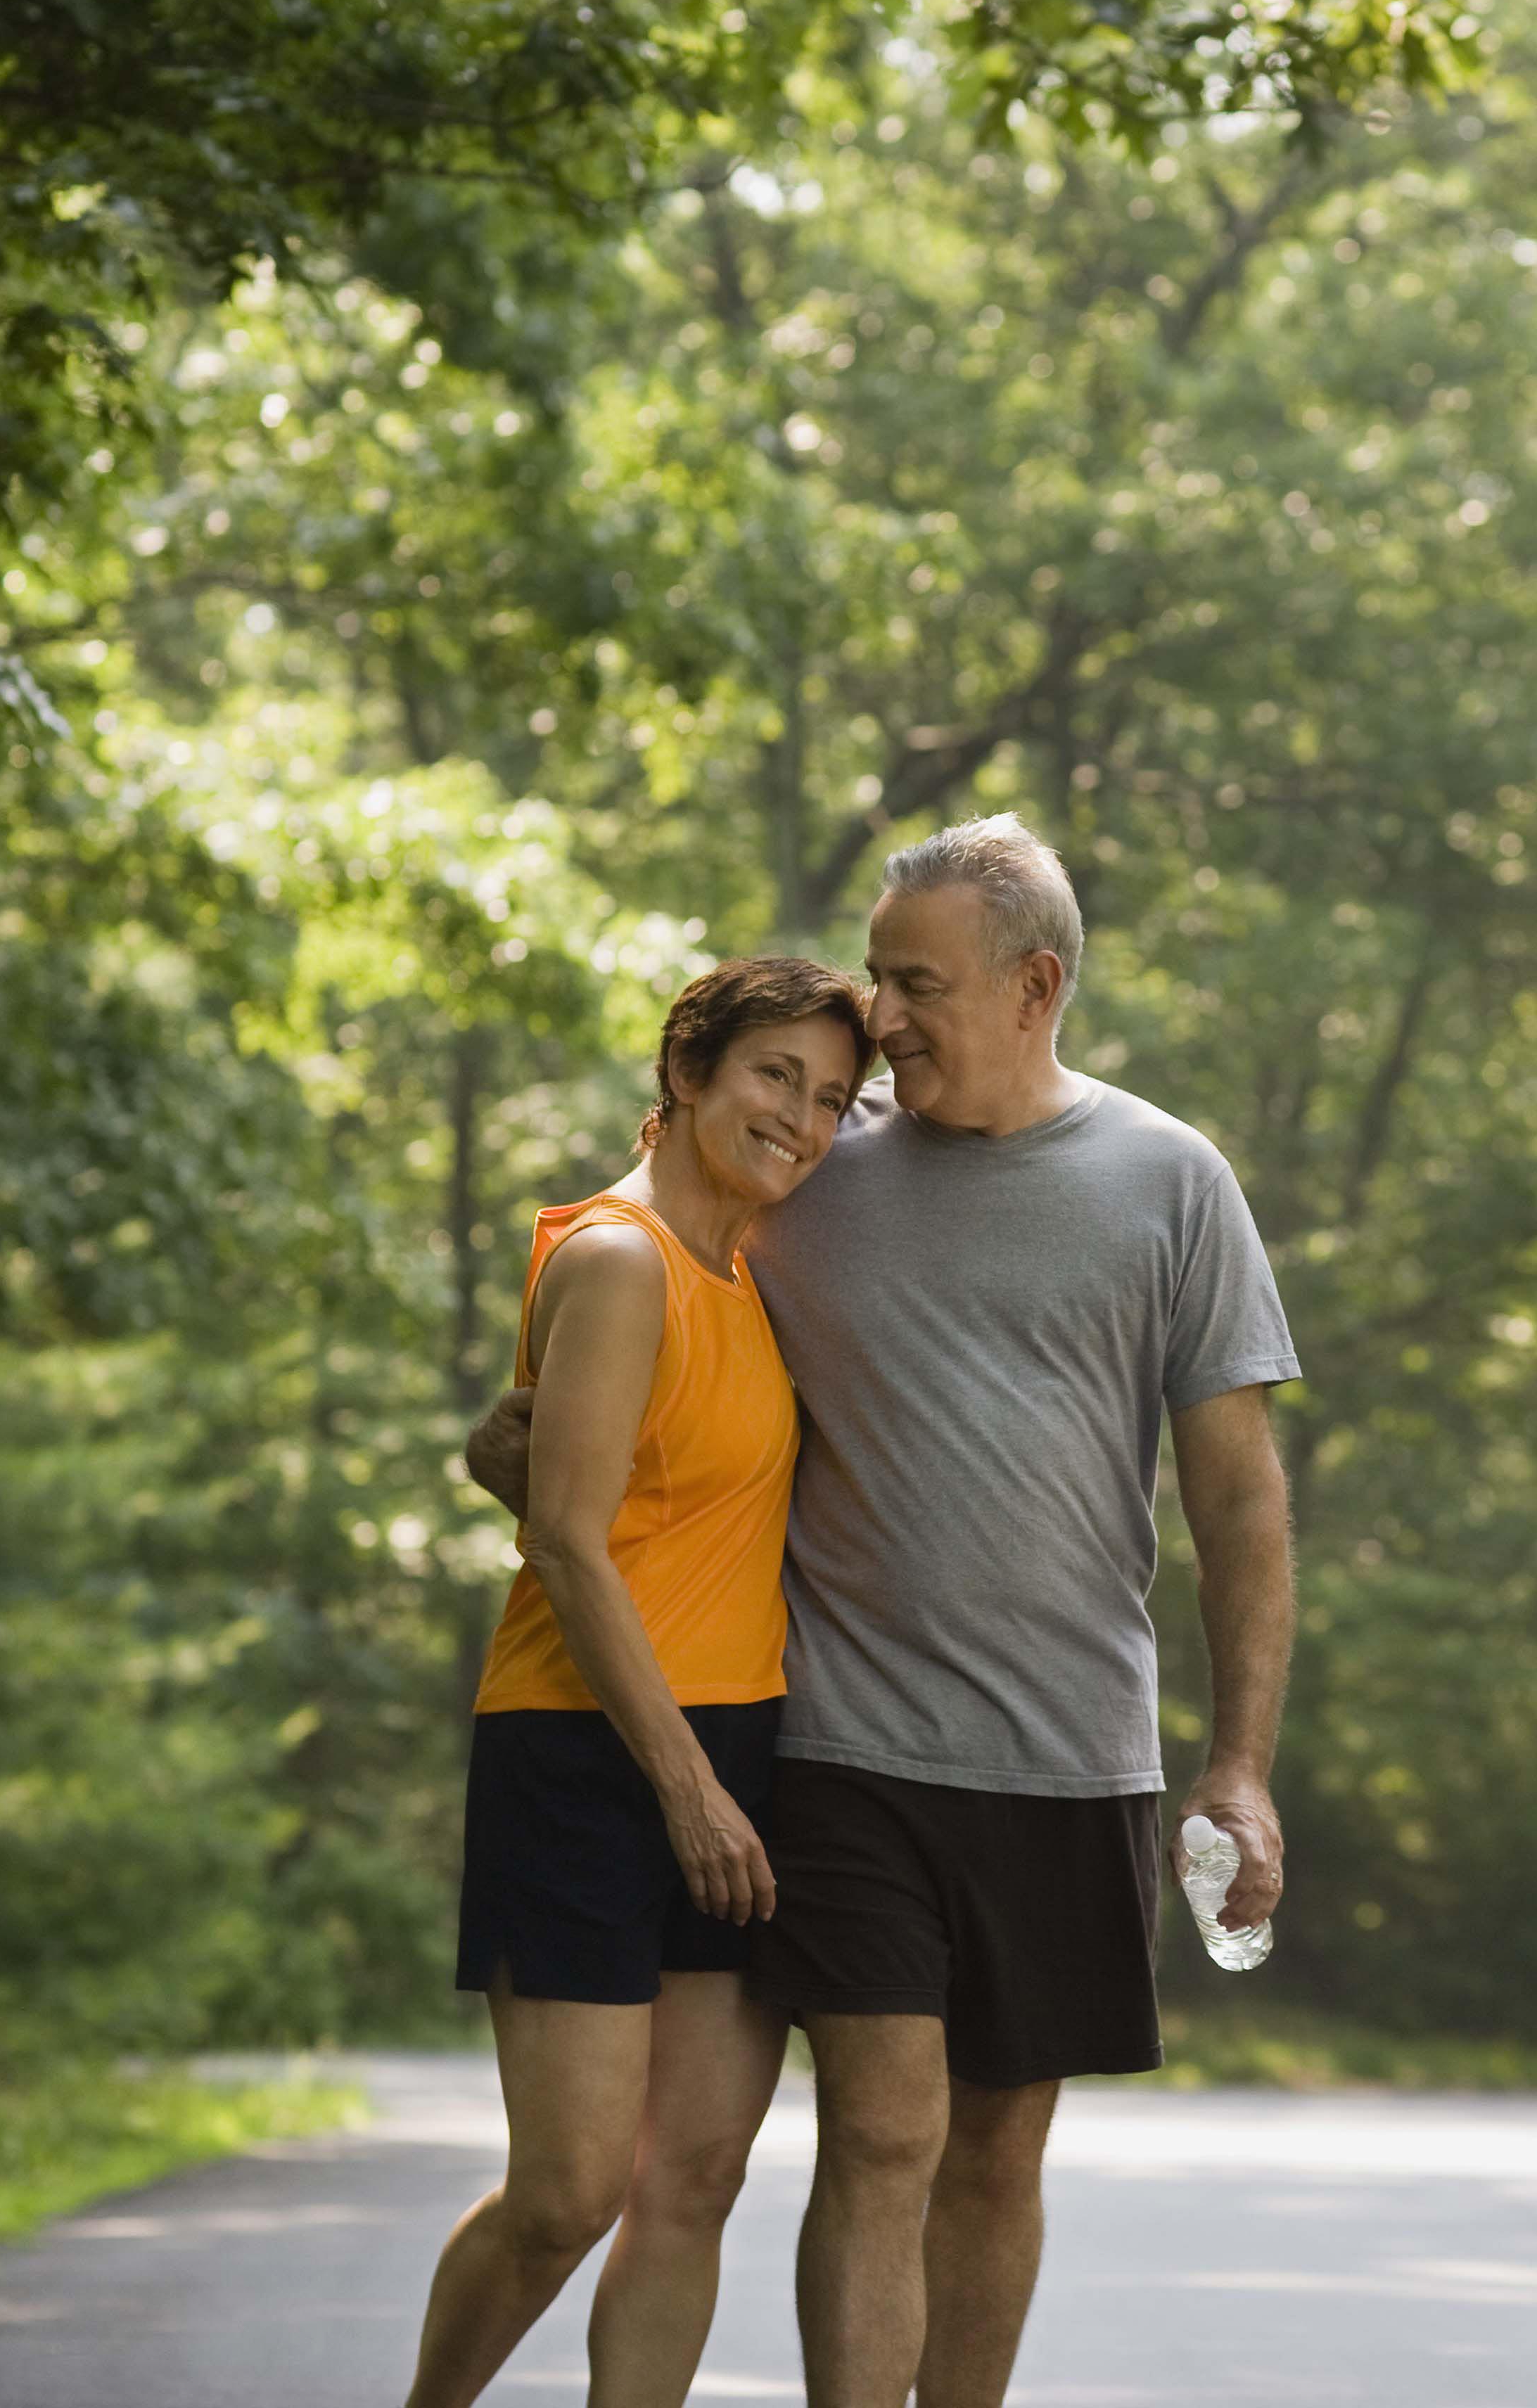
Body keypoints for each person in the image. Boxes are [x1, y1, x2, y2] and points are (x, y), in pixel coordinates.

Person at [470, 813, 1300, 2408]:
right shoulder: (809, 1175)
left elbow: (1240, 1500)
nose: (881, 1018)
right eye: (876, 976)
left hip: (1071, 1753)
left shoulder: (1171, 1180)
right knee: (888, 2122)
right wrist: (501, 1435)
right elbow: (625, 1281)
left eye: (914, 982)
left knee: (994, 2150)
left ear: (1033, 983)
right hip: (840, 1742)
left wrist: (1241, 1762)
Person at [406, 957, 869, 2408]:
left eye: (834, 1097)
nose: (802, 1116)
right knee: (568, 2190)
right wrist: (685, 1791)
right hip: (590, 1750)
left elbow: (619, 1496)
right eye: (774, 1075)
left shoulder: (750, 1270)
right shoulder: (619, 1256)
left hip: (732, 1739)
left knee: (698, 2174)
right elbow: (567, 1537)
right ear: (688, 1071)